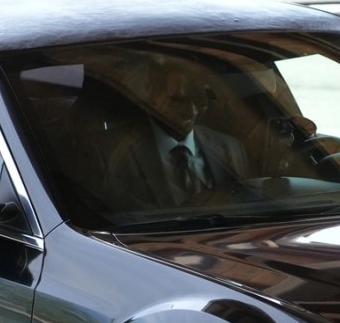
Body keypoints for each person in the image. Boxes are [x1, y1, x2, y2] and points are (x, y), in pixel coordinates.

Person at [99, 56, 249, 210]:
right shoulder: (114, 151)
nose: (192, 112)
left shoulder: (230, 148)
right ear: (152, 92)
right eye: (178, 100)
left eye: (200, 100)